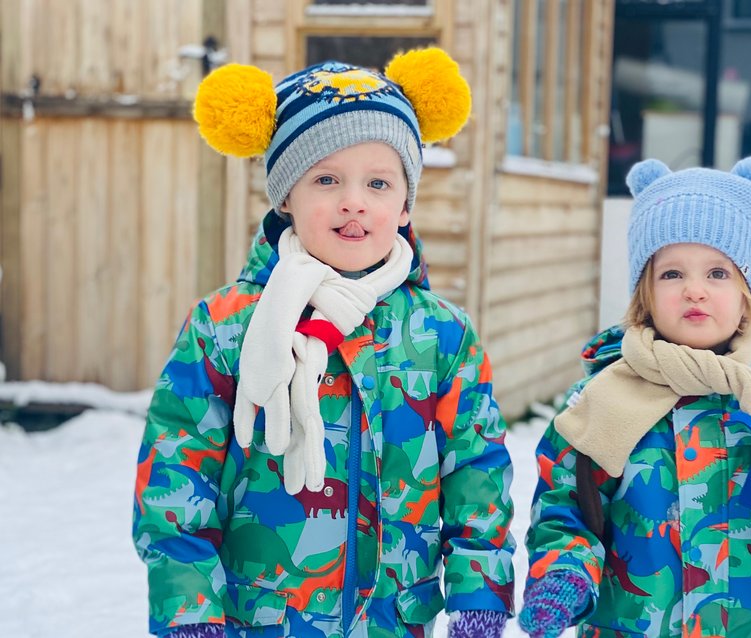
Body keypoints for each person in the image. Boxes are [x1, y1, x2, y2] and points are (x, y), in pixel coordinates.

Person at [132, 47, 515, 638]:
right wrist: (189, 613)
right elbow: (177, 468)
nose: (354, 200)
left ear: (405, 202)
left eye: (379, 182)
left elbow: (475, 469)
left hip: (393, 619)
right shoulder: (226, 324)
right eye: (327, 179)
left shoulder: (442, 334)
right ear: (285, 197)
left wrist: (480, 593)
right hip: (260, 619)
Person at [518, 158, 751, 637]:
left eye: (717, 273)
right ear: (643, 293)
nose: (694, 290)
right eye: (671, 274)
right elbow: (566, 508)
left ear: (746, 290)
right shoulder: (602, 400)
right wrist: (563, 575)